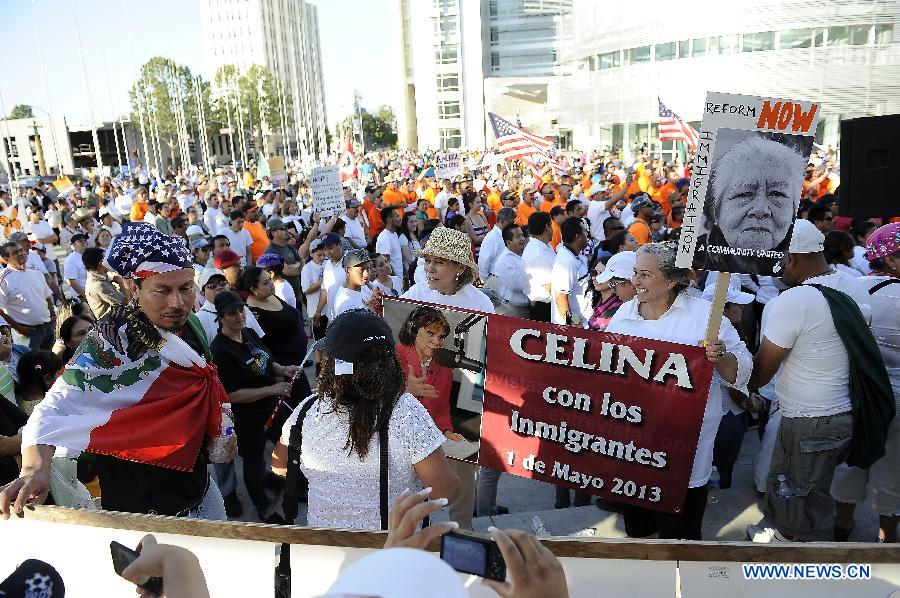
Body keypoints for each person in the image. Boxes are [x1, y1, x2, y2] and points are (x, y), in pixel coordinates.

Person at [1, 222, 232, 520]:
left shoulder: (192, 324)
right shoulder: (111, 341)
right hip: (140, 506)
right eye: (162, 290)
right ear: (133, 287)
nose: (178, 302)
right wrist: (34, 469)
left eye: (186, 288)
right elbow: (56, 405)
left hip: (199, 486)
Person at [606, 242, 752, 539]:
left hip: (685, 452)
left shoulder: (707, 319)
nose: (635, 281)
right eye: (635, 273)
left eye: (645, 275)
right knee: (640, 534)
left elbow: (742, 372)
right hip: (633, 447)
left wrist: (720, 357)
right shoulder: (623, 314)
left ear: (672, 280)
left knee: (680, 540)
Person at [272, 309, 460, 529]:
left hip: (325, 551)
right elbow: (446, 493)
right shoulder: (406, 412)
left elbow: (280, 467)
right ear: (391, 362)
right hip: (389, 552)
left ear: (332, 364)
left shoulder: (307, 410)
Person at [747, 219, 873, 543]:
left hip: (809, 419)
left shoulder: (794, 300)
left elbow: (762, 372)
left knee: (799, 501)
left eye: (780, 263)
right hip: (844, 412)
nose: (779, 273)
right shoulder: (855, 285)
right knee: (804, 489)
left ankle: (794, 562)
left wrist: (731, 368)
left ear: (791, 258)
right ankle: (780, 534)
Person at [402, 227, 493, 530]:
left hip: (463, 400)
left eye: (439, 262)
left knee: (461, 471)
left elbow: (491, 354)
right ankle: (415, 531)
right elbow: (394, 331)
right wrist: (376, 306)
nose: (429, 269)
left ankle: (462, 533)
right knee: (413, 467)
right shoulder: (415, 295)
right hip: (419, 398)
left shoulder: (480, 304)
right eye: (427, 261)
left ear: (459, 268)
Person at [831, 222, 900, 543]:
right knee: (892, 467)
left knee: (852, 459)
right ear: (892, 260)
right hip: (897, 400)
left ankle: (841, 528)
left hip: (855, 392)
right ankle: (886, 541)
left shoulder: (851, 287)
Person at [210, 291, 299, 525]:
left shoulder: (248, 334)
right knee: (252, 462)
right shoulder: (220, 349)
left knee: (290, 445)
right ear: (221, 318)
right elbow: (231, 395)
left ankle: (287, 483)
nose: (239, 315)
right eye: (232, 313)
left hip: (273, 407)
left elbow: (267, 362)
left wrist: (283, 370)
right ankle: (263, 508)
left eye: (241, 310)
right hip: (248, 418)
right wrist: (272, 390)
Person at [694, 133, 808, 275]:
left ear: (793, 210)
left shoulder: (805, 265)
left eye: (777, 194)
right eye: (744, 194)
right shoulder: (694, 259)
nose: (761, 209)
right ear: (716, 210)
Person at [395, 305, 459, 440]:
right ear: (414, 331)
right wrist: (404, 391)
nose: (437, 342)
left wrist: (447, 432)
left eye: (441, 337)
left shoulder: (445, 369)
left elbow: (442, 411)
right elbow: (375, 400)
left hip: (426, 440)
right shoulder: (394, 355)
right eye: (430, 333)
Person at [242, 267, 310, 372]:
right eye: (265, 283)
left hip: (297, 364)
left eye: (270, 279)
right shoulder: (252, 314)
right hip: (284, 369)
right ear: (253, 289)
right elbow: (259, 348)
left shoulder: (271, 296)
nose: (271, 283)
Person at [0, 241, 56, 350]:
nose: (21, 253)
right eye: (15, 252)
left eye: (21, 250)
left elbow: (47, 296)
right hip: (27, 334)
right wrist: (19, 328)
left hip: (48, 328)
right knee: (31, 364)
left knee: (49, 363)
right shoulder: (4, 279)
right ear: (6, 259)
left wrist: (53, 316)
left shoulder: (36, 273)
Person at [551, 217, 591, 327]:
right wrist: (575, 323)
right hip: (576, 330)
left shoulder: (575, 255)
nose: (588, 235)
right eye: (585, 232)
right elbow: (560, 297)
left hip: (586, 322)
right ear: (578, 237)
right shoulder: (566, 262)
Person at [587, 251, 636, 331]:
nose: (595, 277)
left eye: (613, 284)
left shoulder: (621, 307)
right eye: (594, 273)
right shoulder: (598, 300)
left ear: (630, 282)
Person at [522, 211, 556, 322]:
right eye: (551, 225)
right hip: (544, 308)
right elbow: (550, 286)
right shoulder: (537, 253)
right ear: (547, 227)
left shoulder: (543, 246)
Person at [327, 249, 378, 319]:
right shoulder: (346, 304)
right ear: (348, 271)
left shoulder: (361, 286)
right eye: (361, 270)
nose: (366, 274)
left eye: (368, 269)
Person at [493, 224, 530, 318]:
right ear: (508, 242)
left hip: (531, 306)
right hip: (516, 309)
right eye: (518, 237)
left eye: (522, 235)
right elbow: (516, 285)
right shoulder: (504, 261)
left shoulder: (527, 253)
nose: (522, 239)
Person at [83, 247, 130, 320]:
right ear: (100, 263)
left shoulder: (100, 275)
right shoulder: (99, 285)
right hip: (113, 324)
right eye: (105, 259)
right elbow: (126, 302)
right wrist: (121, 283)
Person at [261, 217, 302, 300]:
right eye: (283, 229)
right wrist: (296, 265)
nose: (287, 231)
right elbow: (289, 271)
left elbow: (301, 263)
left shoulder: (288, 246)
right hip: (283, 297)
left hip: (296, 295)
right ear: (274, 232)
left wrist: (296, 266)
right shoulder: (270, 252)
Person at [376, 207, 404, 278]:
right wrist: (395, 280)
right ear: (389, 219)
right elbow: (385, 265)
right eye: (397, 216)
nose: (400, 219)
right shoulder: (385, 237)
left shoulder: (394, 234)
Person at [63, 233, 89, 299]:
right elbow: (71, 281)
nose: (83, 242)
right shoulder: (71, 259)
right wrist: (86, 297)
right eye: (80, 241)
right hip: (81, 296)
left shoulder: (89, 255)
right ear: (73, 245)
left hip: (93, 293)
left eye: (84, 240)